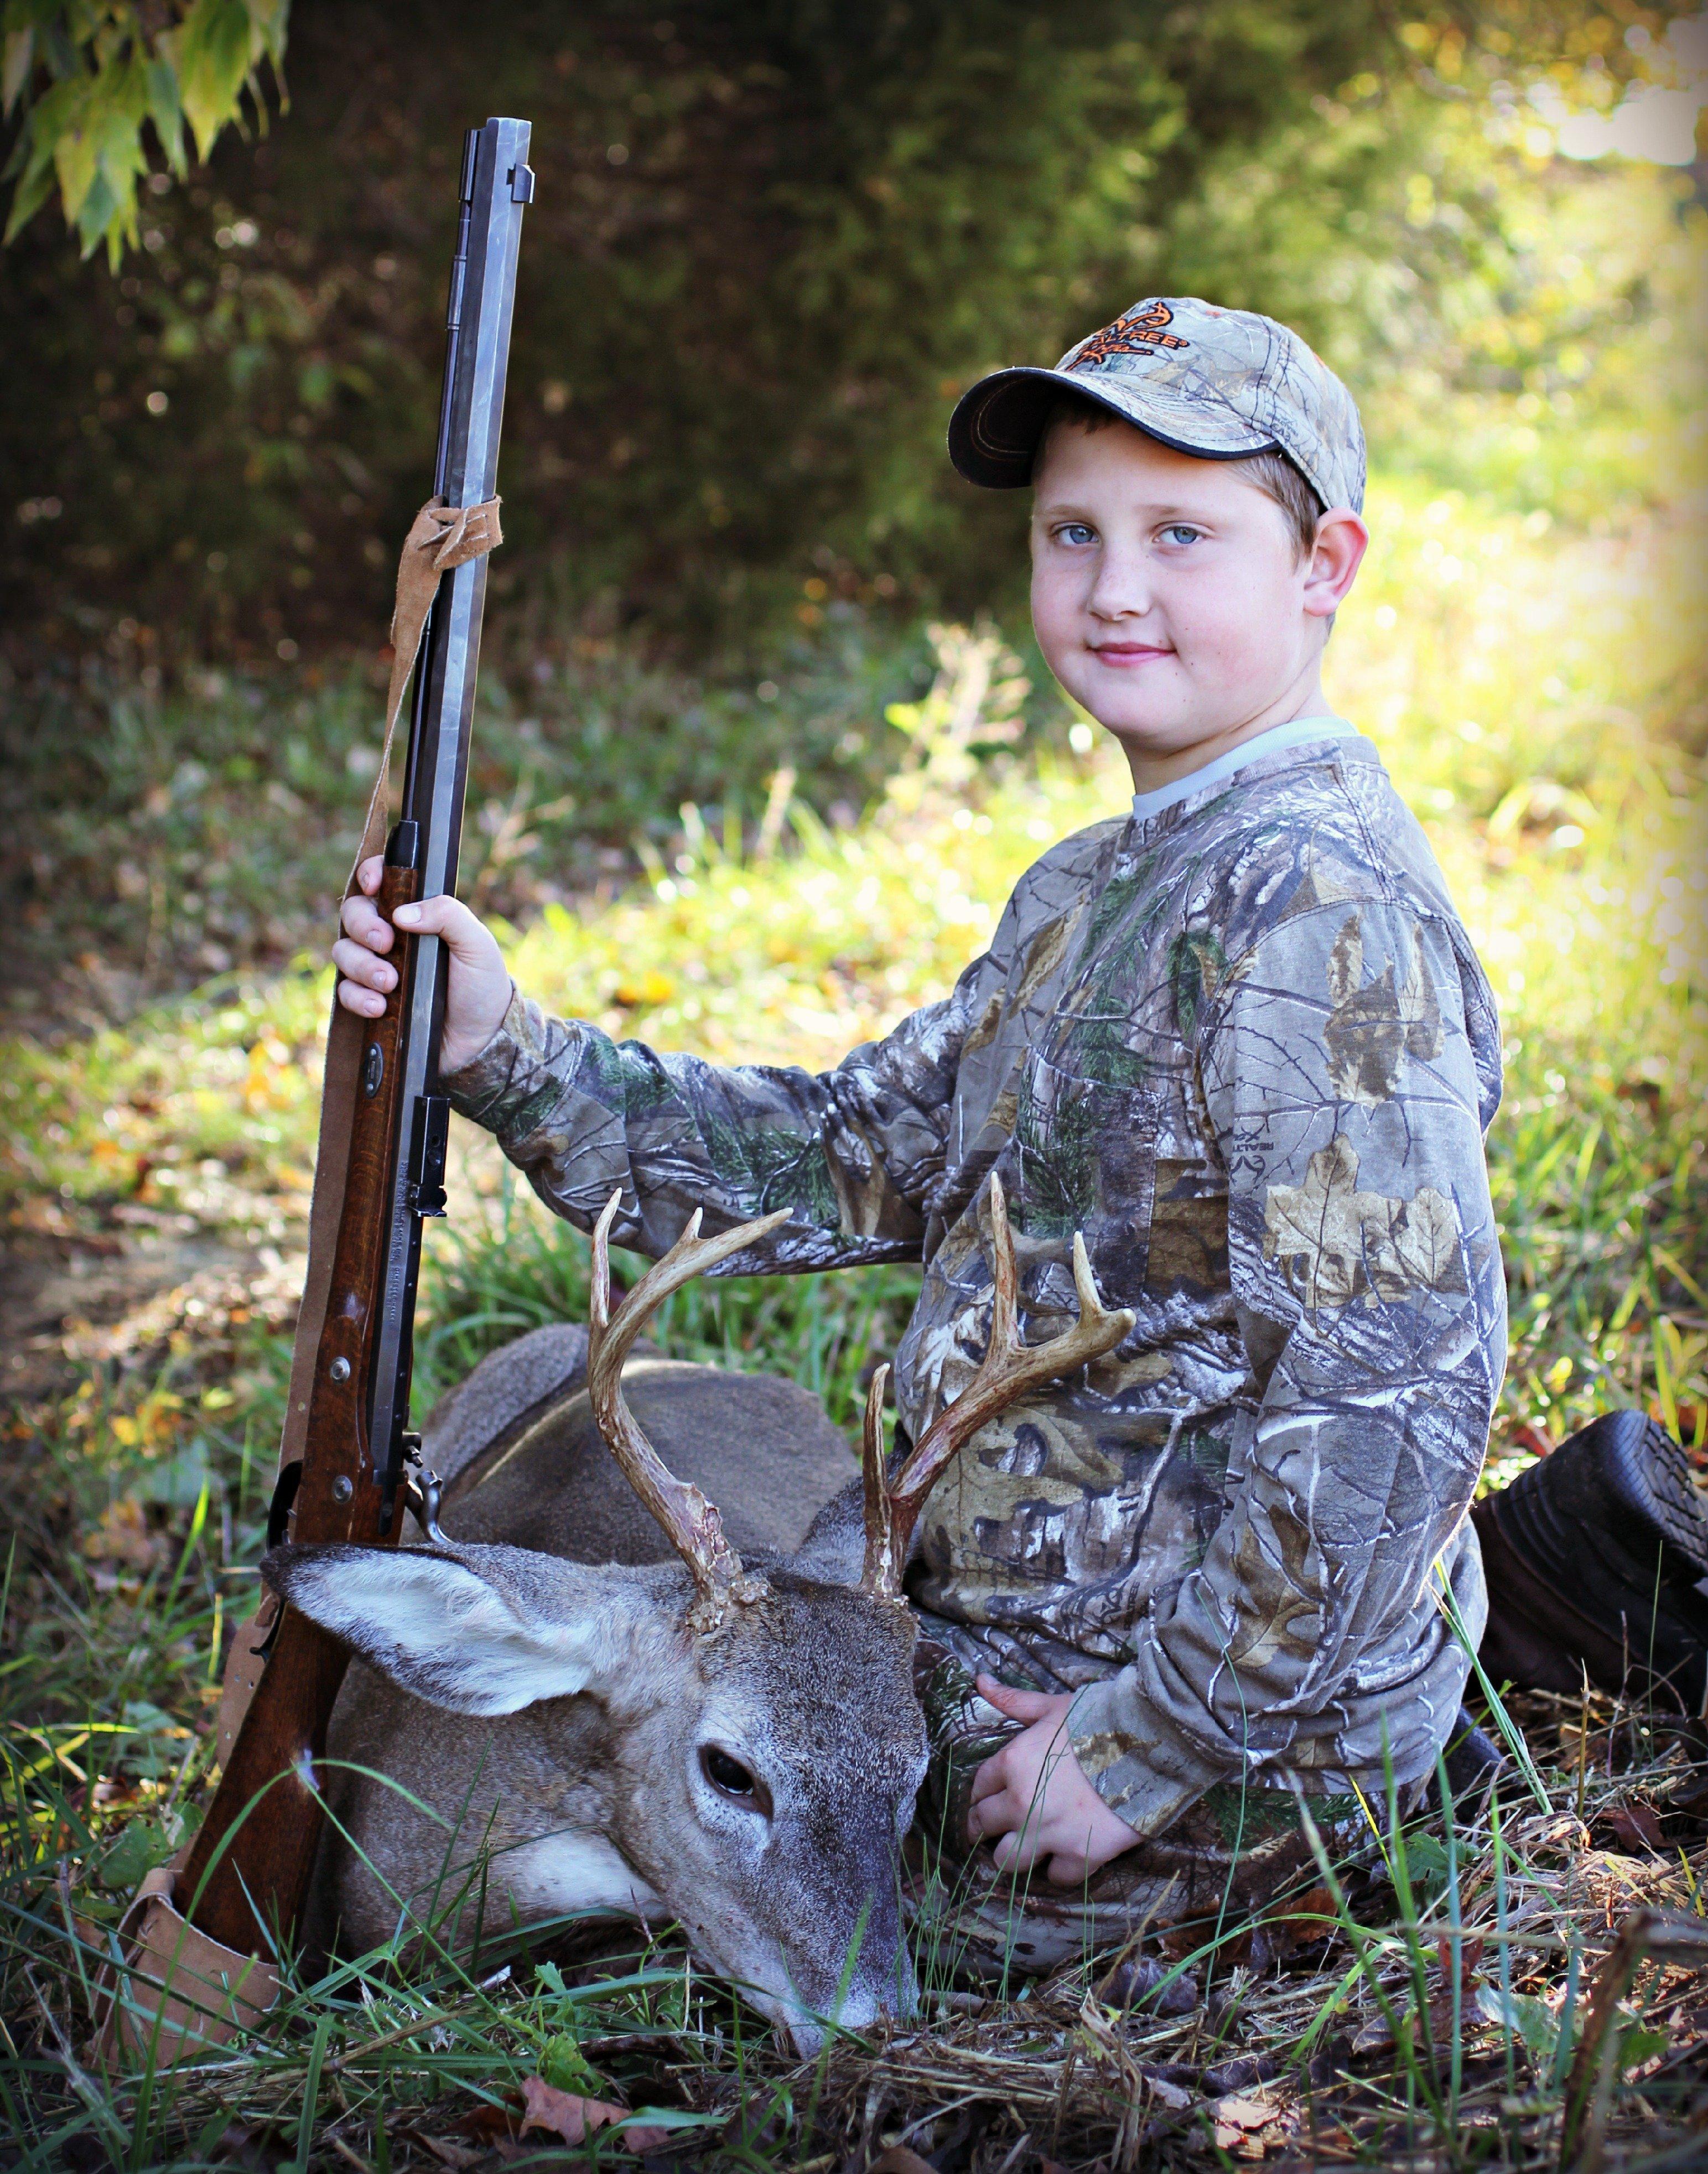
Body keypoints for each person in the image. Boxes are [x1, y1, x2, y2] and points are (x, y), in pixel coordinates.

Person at [332, 297, 1707, 1968]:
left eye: (1182, 532)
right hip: (992, 1651)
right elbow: (854, 1149)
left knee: (756, 1921)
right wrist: (511, 1054)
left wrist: (1142, 1747)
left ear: (1325, 563)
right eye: (1075, 532)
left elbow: (1398, 1383)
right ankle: (1511, 1607)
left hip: (1167, 1746)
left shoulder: (1322, 915)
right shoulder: (1093, 888)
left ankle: (1425, 1727)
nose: (1117, 586)